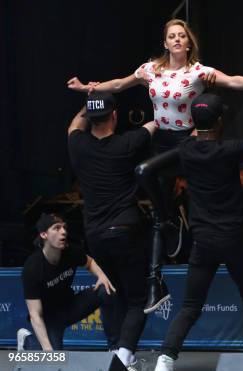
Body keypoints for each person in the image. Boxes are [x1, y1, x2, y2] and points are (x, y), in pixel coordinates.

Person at [67, 18, 243, 313]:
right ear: (166, 43)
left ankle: (179, 230)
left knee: (155, 177)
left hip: (187, 141)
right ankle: (158, 271)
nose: (178, 40)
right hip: (161, 141)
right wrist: (87, 89)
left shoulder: (197, 72)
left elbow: (232, 80)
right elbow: (119, 84)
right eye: (172, 36)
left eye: (182, 35)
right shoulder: (150, 70)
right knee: (152, 195)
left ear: (188, 42)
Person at [144, 83, 243, 370]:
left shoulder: (186, 150)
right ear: (220, 121)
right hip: (233, 238)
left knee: (191, 305)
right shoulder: (229, 149)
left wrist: (164, 212)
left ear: (195, 122)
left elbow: (149, 169)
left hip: (203, 240)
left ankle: (166, 357)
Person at [67, 92, 158, 369]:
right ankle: (123, 357)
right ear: (115, 116)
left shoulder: (78, 145)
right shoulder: (127, 143)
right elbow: (157, 123)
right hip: (125, 230)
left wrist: (89, 99)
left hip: (95, 235)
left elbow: (73, 126)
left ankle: (117, 351)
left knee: (111, 291)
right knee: (138, 299)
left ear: (90, 117)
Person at [18, 213, 115, 352]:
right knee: (54, 359)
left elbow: (89, 262)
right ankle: (27, 342)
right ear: (44, 234)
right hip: (49, 319)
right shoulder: (32, 268)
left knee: (106, 289)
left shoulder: (71, 251)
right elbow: (35, 315)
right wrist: (48, 351)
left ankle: (115, 347)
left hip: (70, 307)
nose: (63, 232)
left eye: (64, 227)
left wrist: (101, 276)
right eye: (57, 228)